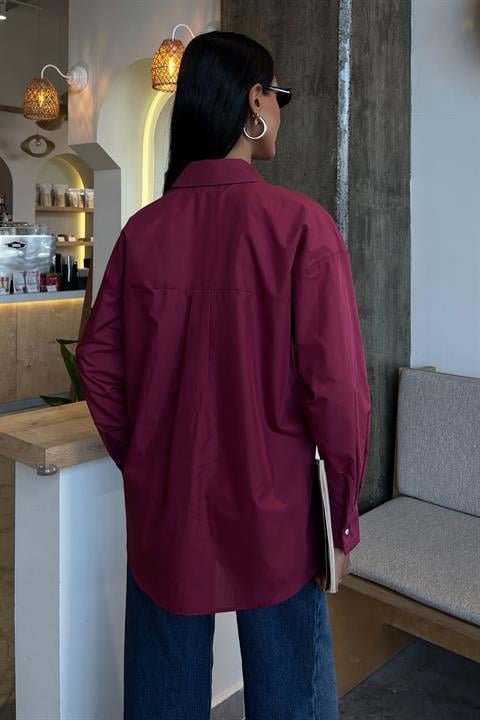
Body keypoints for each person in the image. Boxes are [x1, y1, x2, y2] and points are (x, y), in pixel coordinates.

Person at [75, 30, 371, 720]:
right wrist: (342, 521)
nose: (281, 110)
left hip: (167, 511)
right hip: (281, 515)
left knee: (163, 696)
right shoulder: (301, 227)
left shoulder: (144, 233)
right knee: (293, 699)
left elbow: (97, 364)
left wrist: (146, 457)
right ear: (254, 102)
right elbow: (339, 394)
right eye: (278, 94)